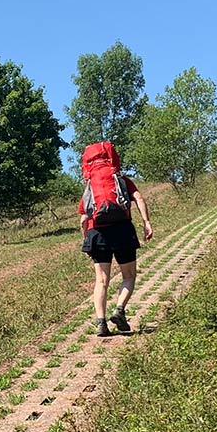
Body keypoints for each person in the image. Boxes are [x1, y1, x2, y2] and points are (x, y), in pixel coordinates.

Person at [77, 141, 154, 336]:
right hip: (122, 231)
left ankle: (101, 323)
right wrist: (146, 222)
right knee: (128, 276)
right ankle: (119, 310)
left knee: (101, 281)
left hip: (97, 233)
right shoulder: (121, 180)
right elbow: (139, 198)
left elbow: (84, 219)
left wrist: (87, 240)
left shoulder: (90, 186)